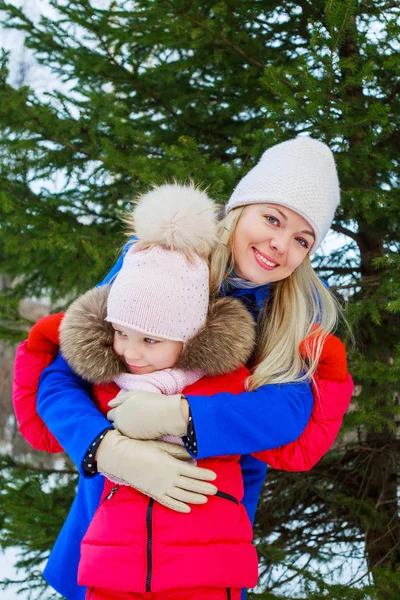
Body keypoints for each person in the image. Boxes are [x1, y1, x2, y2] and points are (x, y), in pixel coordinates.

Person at [13, 136, 354, 599]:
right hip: (107, 527)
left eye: (302, 239)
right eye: (272, 218)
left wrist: (184, 417)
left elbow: (290, 410)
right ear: (240, 209)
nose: (280, 245)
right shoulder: (158, 261)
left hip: (207, 541)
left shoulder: (293, 309)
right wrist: (106, 449)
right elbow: (63, 375)